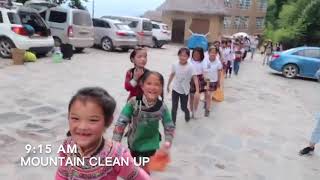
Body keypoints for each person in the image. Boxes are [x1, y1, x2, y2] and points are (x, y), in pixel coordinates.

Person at [55, 87, 150, 180]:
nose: (82, 127)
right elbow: (62, 174)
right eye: (75, 118)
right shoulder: (67, 146)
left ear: (108, 121)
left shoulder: (116, 155)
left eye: (93, 120)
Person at [113, 71, 175, 174]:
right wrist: (116, 141)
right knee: (134, 168)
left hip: (151, 145)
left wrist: (168, 142)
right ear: (142, 86)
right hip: (134, 142)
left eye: (157, 84)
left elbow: (169, 125)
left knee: (144, 169)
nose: (153, 87)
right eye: (149, 83)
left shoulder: (162, 107)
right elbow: (121, 121)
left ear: (161, 89)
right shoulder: (134, 102)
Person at [167, 47, 199, 124]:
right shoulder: (175, 64)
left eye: (185, 56)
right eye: (181, 55)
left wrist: (197, 91)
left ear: (188, 57)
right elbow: (172, 74)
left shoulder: (191, 66)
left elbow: (195, 78)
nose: (182, 57)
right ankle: (173, 122)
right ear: (178, 55)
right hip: (175, 89)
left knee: (183, 107)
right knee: (174, 107)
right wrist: (168, 85)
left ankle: (187, 113)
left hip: (185, 90)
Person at [203, 46, 223, 117]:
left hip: (213, 81)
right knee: (206, 93)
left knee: (209, 95)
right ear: (208, 53)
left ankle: (207, 109)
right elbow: (203, 70)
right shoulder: (205, 60)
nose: (213, 54)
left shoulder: (218, 62)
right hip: (206, 81)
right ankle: (205, 102)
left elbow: (219, 72)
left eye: (214, 52)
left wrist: (218, 82)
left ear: (216, 53)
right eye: (211, 52)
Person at [189, 47, 206, 119]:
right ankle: (191, 110)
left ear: (201, 55)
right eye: (194, 54)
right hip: (190, 79)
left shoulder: (203, 62)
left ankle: (194, 111)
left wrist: (207, 83)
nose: (196, 55)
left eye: (197, 54)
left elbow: (205, 73)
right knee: (191, 96)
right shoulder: (190, 61)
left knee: (197, 96)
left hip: (199, 79)